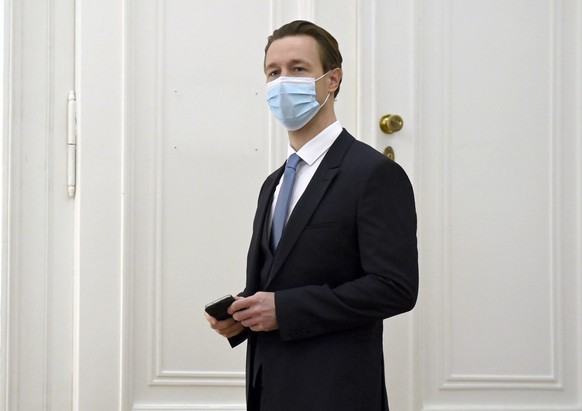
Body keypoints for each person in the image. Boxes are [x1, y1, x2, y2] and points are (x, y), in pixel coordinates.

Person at [205, 20, 418, 411]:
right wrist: (243, 314)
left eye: (298, 69)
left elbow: (395, 287)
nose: (282, 81)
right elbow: (285, 275)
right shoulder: (273, 183)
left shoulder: (373, 173)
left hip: (337, 390)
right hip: (268, 387)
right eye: (273, 72)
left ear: (332, 80)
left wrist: (284, 310)